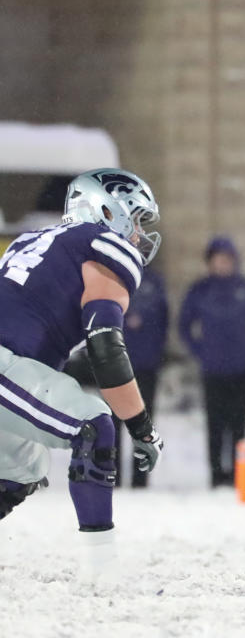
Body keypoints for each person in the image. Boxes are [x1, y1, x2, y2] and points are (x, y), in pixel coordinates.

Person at [0, 169, 163, 566]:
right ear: (108, 210)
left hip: (10, 368)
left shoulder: (29, 240)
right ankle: (101, 570)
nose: (140, 235)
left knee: (24, 464)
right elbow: (105, 349)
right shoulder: (101, 246)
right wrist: (141, 427)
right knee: (92, 425)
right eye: (136, 219)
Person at [179, 235, 245, 488]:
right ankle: (217, 475)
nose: (223, 264)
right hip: (213, 370)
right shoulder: (200, 291)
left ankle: (240, 476)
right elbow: (185, 326)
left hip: (242, 369)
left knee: (239, 425)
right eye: (218, 259)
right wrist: (201, 351)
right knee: (216, 425)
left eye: (227, 259)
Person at [112, 265, 168, 488]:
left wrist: (156, 352)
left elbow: (164, 321)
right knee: (112, 423)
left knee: (143, 423)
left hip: (146, 364)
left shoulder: (154, 282)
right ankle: (112, 477)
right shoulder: (112, 277)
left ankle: (140, 478)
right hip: (114, 363)